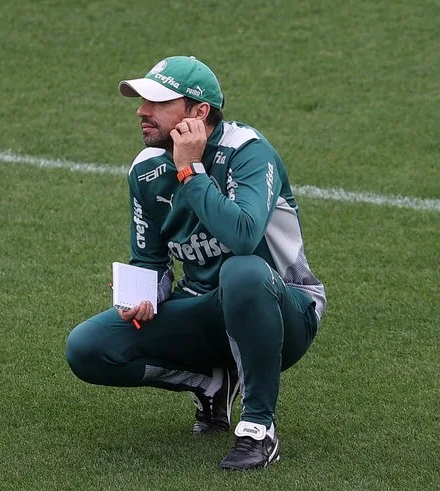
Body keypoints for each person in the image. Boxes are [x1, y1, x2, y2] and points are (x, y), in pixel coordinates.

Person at [65, 55, 326, 470]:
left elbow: (243, 236)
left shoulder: (248, 152)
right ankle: (212, 384)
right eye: (142, 101)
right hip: (203, 309)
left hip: (282, 311)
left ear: (199, 112)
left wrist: (190, 170)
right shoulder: (146, 169)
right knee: (88, 347)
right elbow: (150, 259)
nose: (142, 112)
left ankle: (258, 428)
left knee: (242, 270)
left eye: (157, 103)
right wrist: (141, 295)